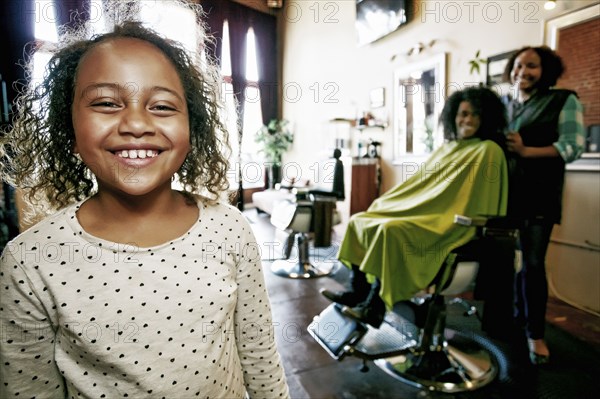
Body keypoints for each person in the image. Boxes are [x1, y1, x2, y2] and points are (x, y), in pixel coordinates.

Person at [0, 6, 289, 398]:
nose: (136, 124)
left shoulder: (230, 228)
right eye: (105, 103)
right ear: (70, 129)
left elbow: (260, 357)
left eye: (163, 106)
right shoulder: (30, 261)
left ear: (193, 128)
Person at [321, 86, 509, 328]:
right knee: (361, 220)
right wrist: (394, 203)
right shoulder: (448, 147)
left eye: (475, 114)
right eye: (463, 114)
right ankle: (358, 290)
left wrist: (442, 216)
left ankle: (375, 307)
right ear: (454, 116)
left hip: (452, 224)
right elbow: (422, 186)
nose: (468, 119)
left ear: (487, 119)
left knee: (390, 230)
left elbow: (474, 199)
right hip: (427, 215)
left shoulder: (488, 150)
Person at [501, 45, 585, 365]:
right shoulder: (508, 105)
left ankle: (535, 334)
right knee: (505, 263)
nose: (523, 72)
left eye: (532, 66)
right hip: (505, 197)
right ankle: (512, 321)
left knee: (533, 264)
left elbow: (573, 146)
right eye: (518, 66)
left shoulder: (563, 100)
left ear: (545, 70)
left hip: (539, 195)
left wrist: (526, 152)